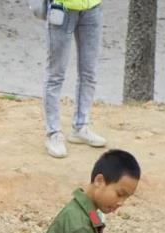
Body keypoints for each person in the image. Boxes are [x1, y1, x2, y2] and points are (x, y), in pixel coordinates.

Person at [43, 0, 106, 159]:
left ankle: (80, 126)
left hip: (92, 8)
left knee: (89, 73)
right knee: (55, 75)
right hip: (62, 8)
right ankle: (53, 133)